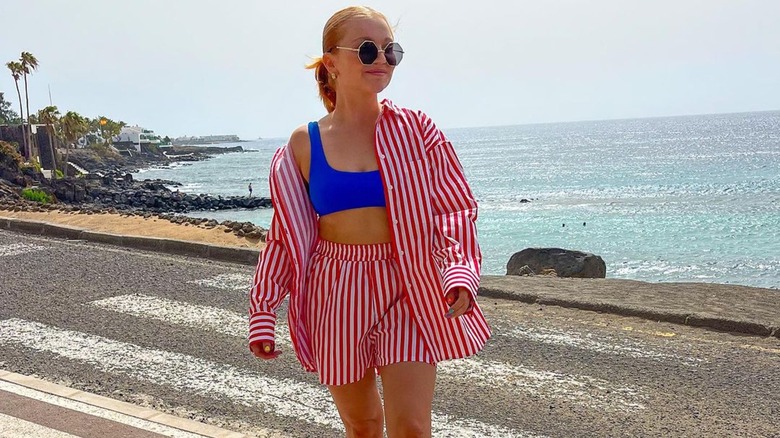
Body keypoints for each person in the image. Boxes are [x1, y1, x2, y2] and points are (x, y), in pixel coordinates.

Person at [248, 6, 490, 437]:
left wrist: (458, 270)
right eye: (365, 49)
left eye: (389, 50)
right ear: (332, 62)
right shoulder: (304, 144)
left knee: (412, 426)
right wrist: (264, 310)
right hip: (335, 288)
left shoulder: (418, 131)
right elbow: (285, 237)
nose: (381, 58)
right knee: (361, 425)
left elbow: (454, 207)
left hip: (409, 285)